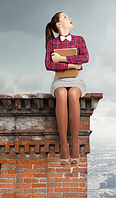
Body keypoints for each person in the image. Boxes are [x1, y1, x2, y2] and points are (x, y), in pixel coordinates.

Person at [45, 12, 89, 166]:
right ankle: (64, 144)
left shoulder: (79, 39)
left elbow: (85, 58)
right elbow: (49, 65)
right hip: (59, 81)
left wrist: (62, 59)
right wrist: (72, 64)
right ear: (58, 24)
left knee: (73, 93)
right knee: (62, 93)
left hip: (77, 79)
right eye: (65, 17)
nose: (69, 18)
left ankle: (75, 144)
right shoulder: (52, 43)